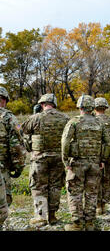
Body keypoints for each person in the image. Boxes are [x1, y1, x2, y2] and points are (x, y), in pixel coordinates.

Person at [61, 95, 110, 231]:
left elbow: (65, 141)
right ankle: (90, 223)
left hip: (77, 163)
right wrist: (103, 159)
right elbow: (108, 142)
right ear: (92, 108)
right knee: (92, 192)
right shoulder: (100, 123)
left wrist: (65, 160)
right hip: (95, 162)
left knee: (75, 191)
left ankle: (77, 223)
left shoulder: (74, 122)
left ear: (80, 107)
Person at [21, 93, 69, 227]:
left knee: (39, 186)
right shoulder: (65, 118)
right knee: (55, 186)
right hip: (58, 158)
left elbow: (21, 129)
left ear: (42, 104)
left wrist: (32, 115)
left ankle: (41, 216)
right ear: (55, 104)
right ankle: (53, 216)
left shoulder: (36, 118)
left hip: (40, 158)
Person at [0, 86, 26, 231]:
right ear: (5, 100)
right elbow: (17, 145)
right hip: (2, 167)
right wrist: (19, 166)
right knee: (2, 201)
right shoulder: (8, 117)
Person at [94, 97, 110, 215]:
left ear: (94, 108)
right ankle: (104, 204)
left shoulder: (92, 120)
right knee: (107, 179)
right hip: (109, 155)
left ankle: (97, 205)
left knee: (96, 179)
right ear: (106, 108)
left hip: (95, 155)